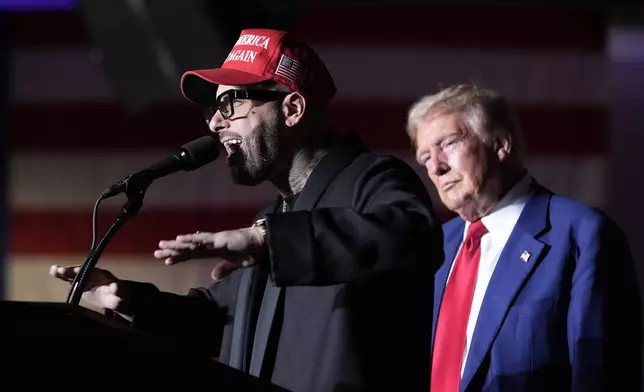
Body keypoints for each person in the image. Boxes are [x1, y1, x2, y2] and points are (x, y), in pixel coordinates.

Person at [50, 28, 442, 392]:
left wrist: (264, 240)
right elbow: (218, 321)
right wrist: (128, 300)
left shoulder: (372, 179)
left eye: (230, 102)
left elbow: (413, 234)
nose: (215, 122)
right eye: (213, 109)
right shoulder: (276, 213)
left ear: (292, 109)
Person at [406, 83, 642, 392]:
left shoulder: (581, 234)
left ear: (501, 144)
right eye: (425, 158)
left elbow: (602, 376)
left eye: (448, 143)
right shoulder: (433, 247)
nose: (436, 167)